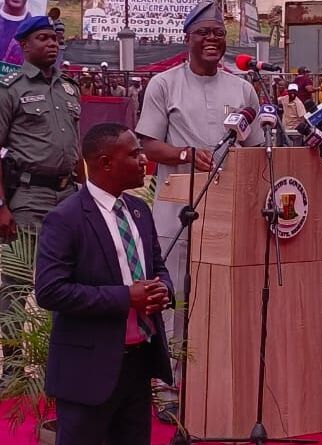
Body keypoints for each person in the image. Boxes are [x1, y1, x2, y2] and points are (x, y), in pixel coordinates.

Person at [135, 0, 263, 413]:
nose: (212, 40)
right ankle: (167, 389)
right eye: (203, 33)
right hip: (177, 208)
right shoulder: (164, 84)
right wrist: (186, 154)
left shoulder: (242, 88)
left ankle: (216, 385)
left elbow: (256, 148)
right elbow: (147, 144)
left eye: (218, 33)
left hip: (229, 208)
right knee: (173, 297)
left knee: (222, 296)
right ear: (187, 38)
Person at [35, 123, 173, 445]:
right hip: (88, 372)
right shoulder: (65, 219)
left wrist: (162, 289)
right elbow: (50, 291)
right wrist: (126, 297)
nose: (144, 160)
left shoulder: (139, 211)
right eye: (134, 154)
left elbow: (158, 266)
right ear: (106, 162)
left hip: (138, 365)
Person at [0, 16, 84, 383]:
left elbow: (76, 148)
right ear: (23, 45)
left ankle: (60, 365)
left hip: (68, 195)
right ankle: (13, 370)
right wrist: (1, 207)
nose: (52, 44)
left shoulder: (69, 88)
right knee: (16, 284)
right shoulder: (10, 90)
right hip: (27, 196)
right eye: (43, 38)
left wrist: (87, 196)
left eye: (55, 38)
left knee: (68, 280)